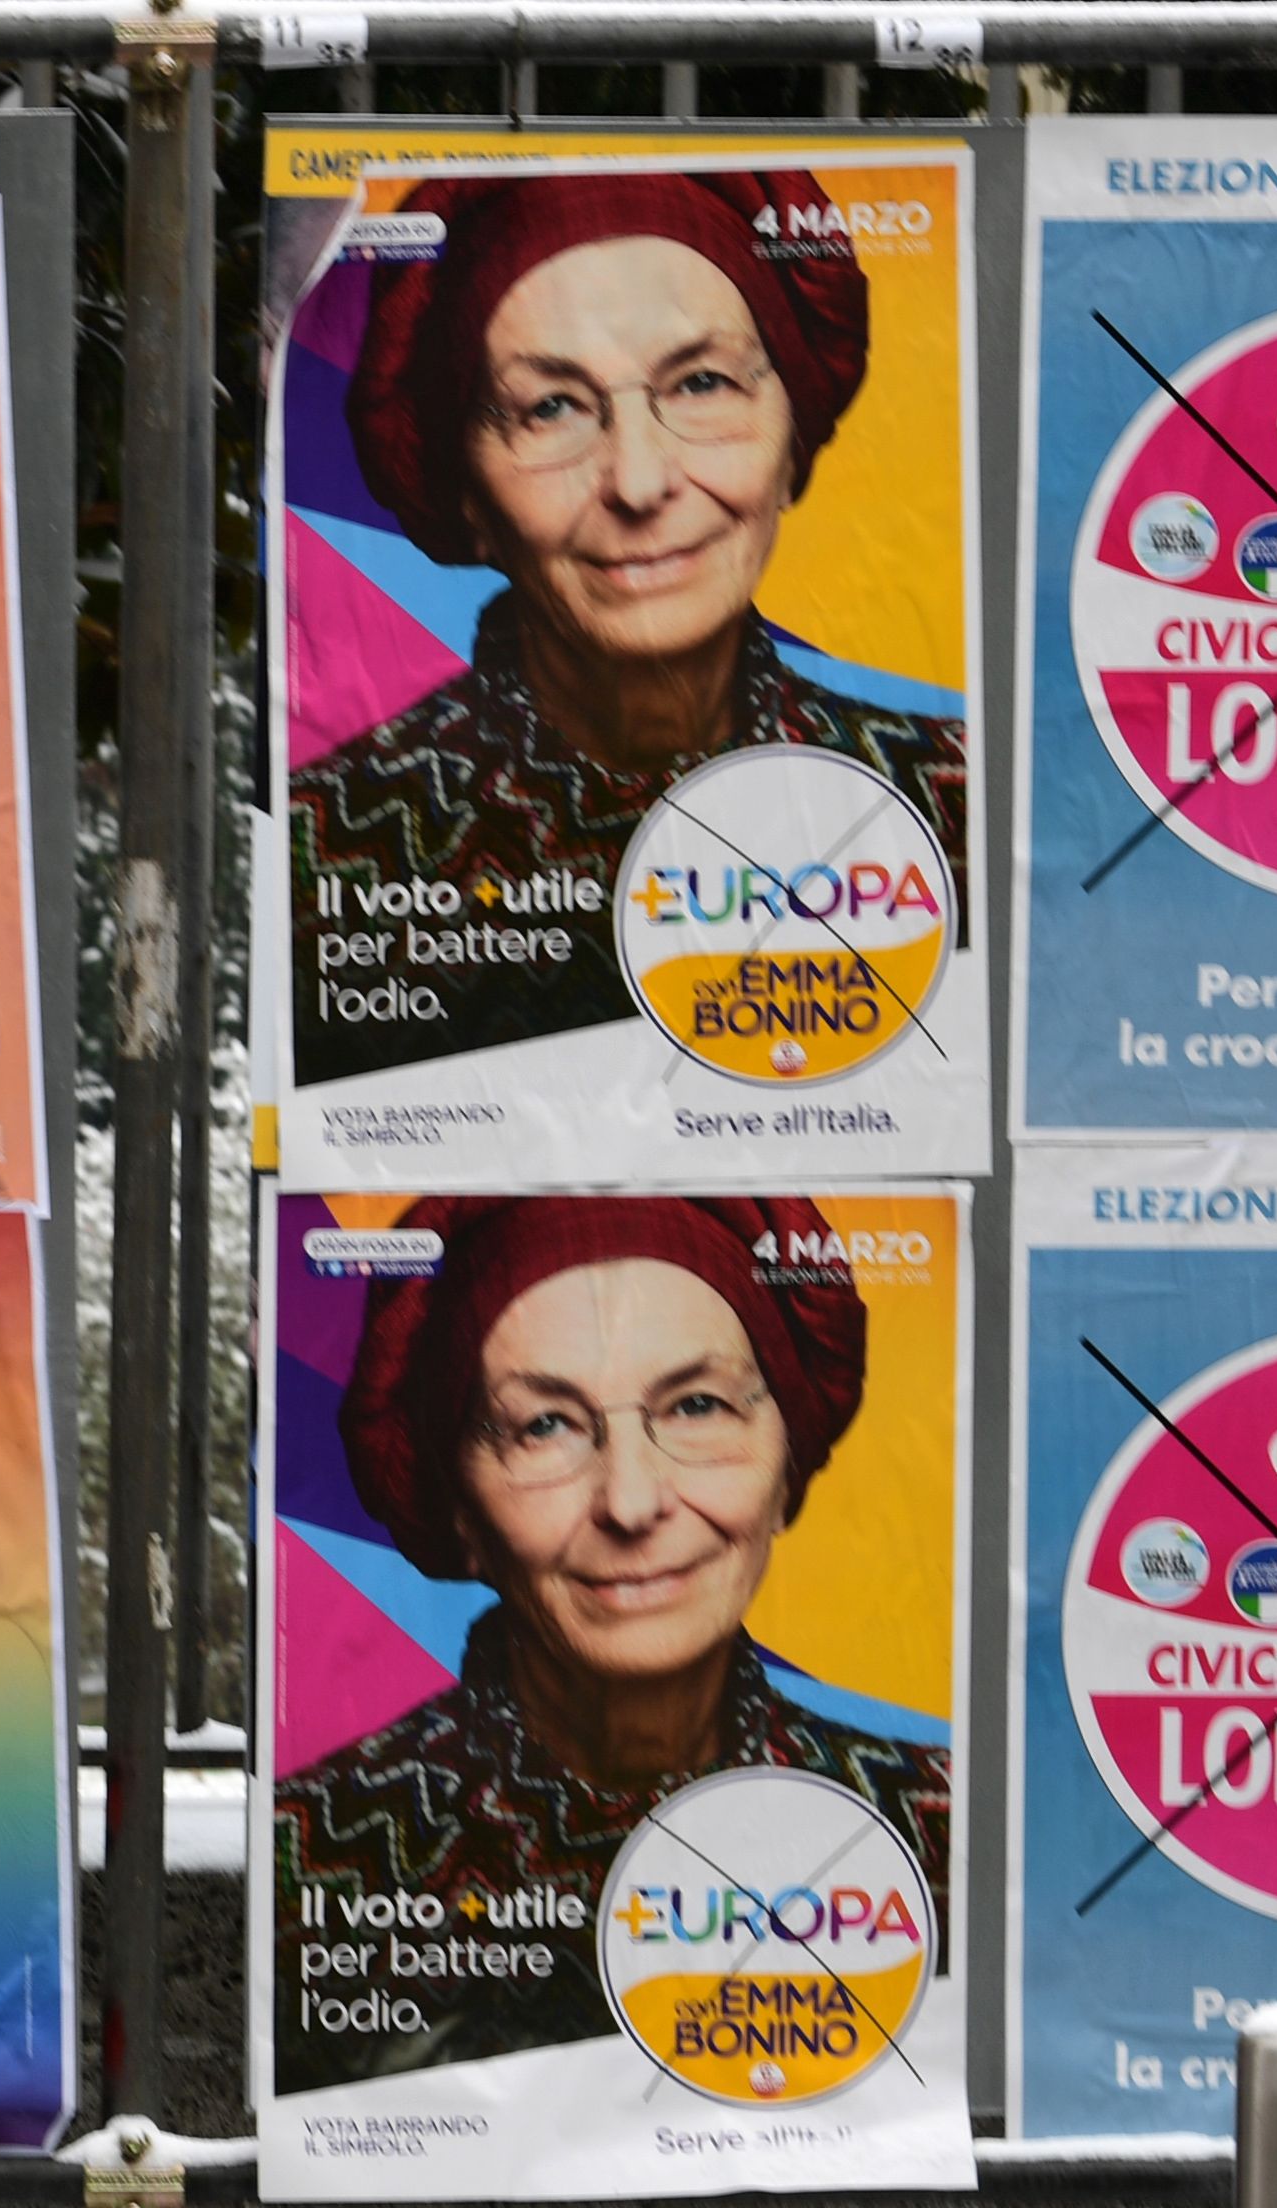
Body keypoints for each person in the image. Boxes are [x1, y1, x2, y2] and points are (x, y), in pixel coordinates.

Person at [293, 169, 969, 1081]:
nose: (640, 483)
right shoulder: (328, 849)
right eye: (550, 407)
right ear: (469, 496)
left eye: (701, 383)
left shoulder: (958, 811)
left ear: (792, 439)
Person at [270, 1197, 951, 2092]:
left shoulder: (939, 1830)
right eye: (543, 1424)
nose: (631, 1502)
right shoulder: (310, 1850)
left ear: (786, 1464)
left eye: (698, 1405)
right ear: (459, 1510)